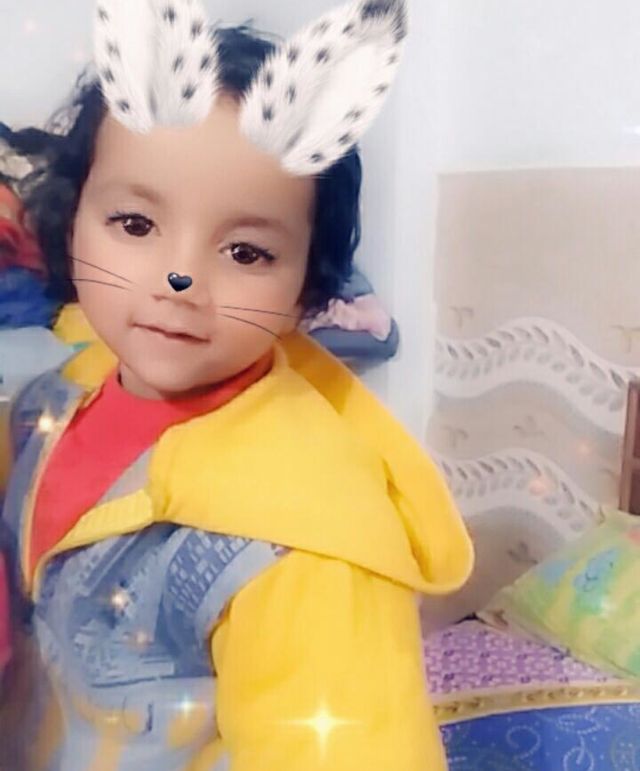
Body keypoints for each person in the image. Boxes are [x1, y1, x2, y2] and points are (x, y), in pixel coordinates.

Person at [0, 1, 473, 769]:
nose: (180, 279)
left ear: (305, 285)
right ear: (72, 219)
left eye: (247, 252)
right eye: (136, 225)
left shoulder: (310, 544)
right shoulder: (53, 399)